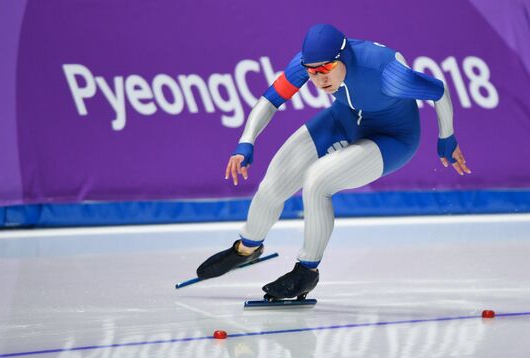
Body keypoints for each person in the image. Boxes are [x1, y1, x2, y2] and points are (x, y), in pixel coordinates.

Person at [196, 24, 471, 300]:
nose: (319, 79)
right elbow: (270, 101)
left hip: (392, 138)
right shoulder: (307, 65)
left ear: (344, 58)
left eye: (326, 69)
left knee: (317, 181)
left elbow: (439, 91)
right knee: (272, 185)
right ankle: (246, 249)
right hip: (343, 121)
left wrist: (447, 137)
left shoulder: (387, 73)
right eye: (312, 72)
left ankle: (306, 271)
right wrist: (247, 141)